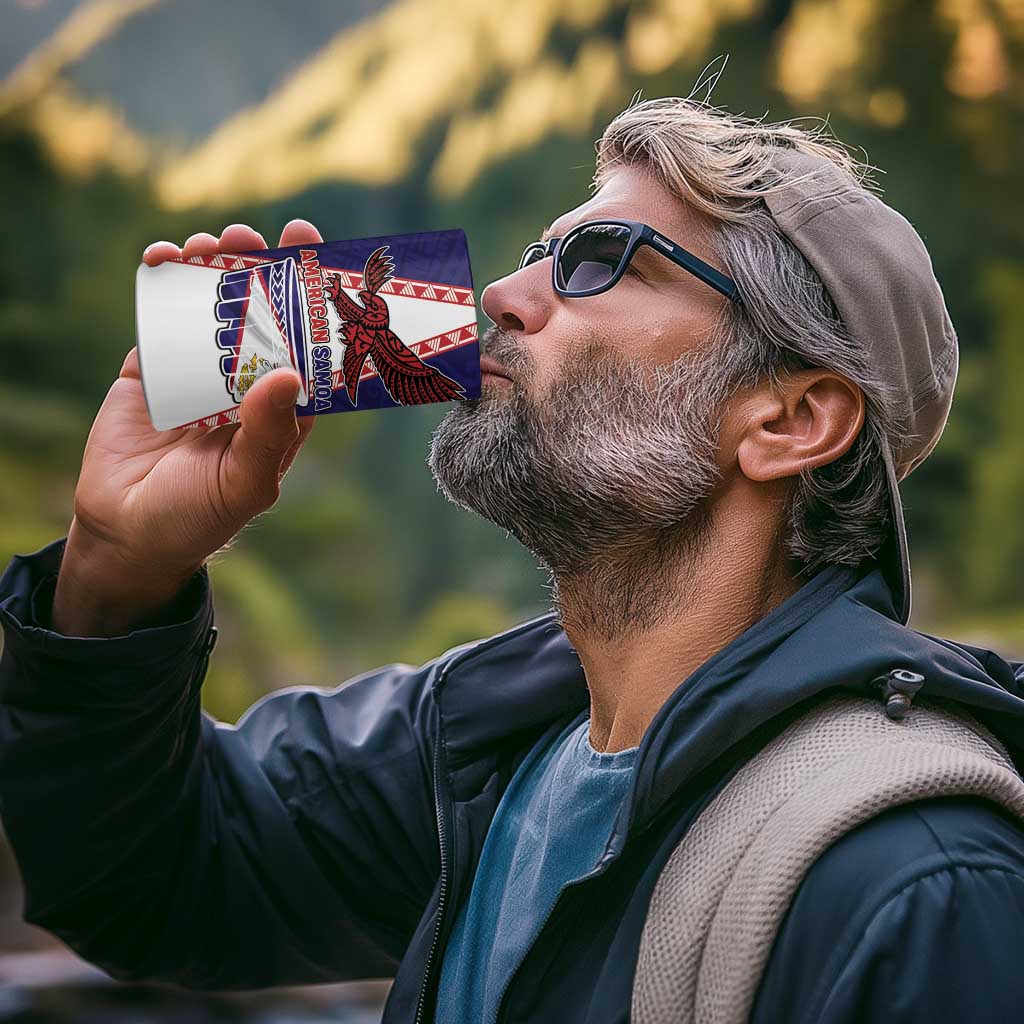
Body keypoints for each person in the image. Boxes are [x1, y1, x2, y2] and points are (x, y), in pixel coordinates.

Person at [2, 95, 1024, 1024]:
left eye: (600, 261)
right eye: (541, 251)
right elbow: (149, 880)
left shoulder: (918, 883)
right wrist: (116, 571)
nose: (500, 291)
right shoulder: (480, 748)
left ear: (791, 419)